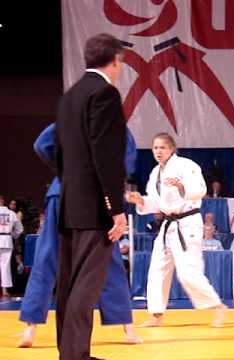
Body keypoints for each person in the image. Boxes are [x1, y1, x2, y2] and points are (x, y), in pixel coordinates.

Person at [18, 123, 142, 349]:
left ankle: (30, 328)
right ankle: (128, 328)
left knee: (46, 258)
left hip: (62, 191)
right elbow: (123, 165)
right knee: (109, 259)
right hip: (97, 197)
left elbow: (41, 144)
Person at [54, 33, 129, 360]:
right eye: (121, 62)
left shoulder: (69, 97)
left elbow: (58, 153)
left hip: (70, 202)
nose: (121, 68)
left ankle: (70, 351)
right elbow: (107, 154)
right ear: (113, 60)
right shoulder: (105, 94)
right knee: (86, 283)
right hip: (95, 205)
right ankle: (75, 356)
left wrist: (71, 190)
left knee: (69, 283)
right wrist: (116, 208)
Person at [126, 133, 227, 328]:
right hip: (168, 226)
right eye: (155, 148)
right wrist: (140, 201)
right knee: (157, 269)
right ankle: (156, 314)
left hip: (187, 223)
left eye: (162, 147)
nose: (158, 151)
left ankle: (217, 306)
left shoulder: (186, 165)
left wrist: (182, 186)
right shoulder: (155, 173)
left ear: (172, 148)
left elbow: (200, 189)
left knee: (188, 272)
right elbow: (156, 202)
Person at [0, 195, 24, 298]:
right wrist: (12, 236)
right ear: (3, 202)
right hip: (7, 240)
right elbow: (20, 229)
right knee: (5, 266)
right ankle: (4, 290)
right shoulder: (11, 213)